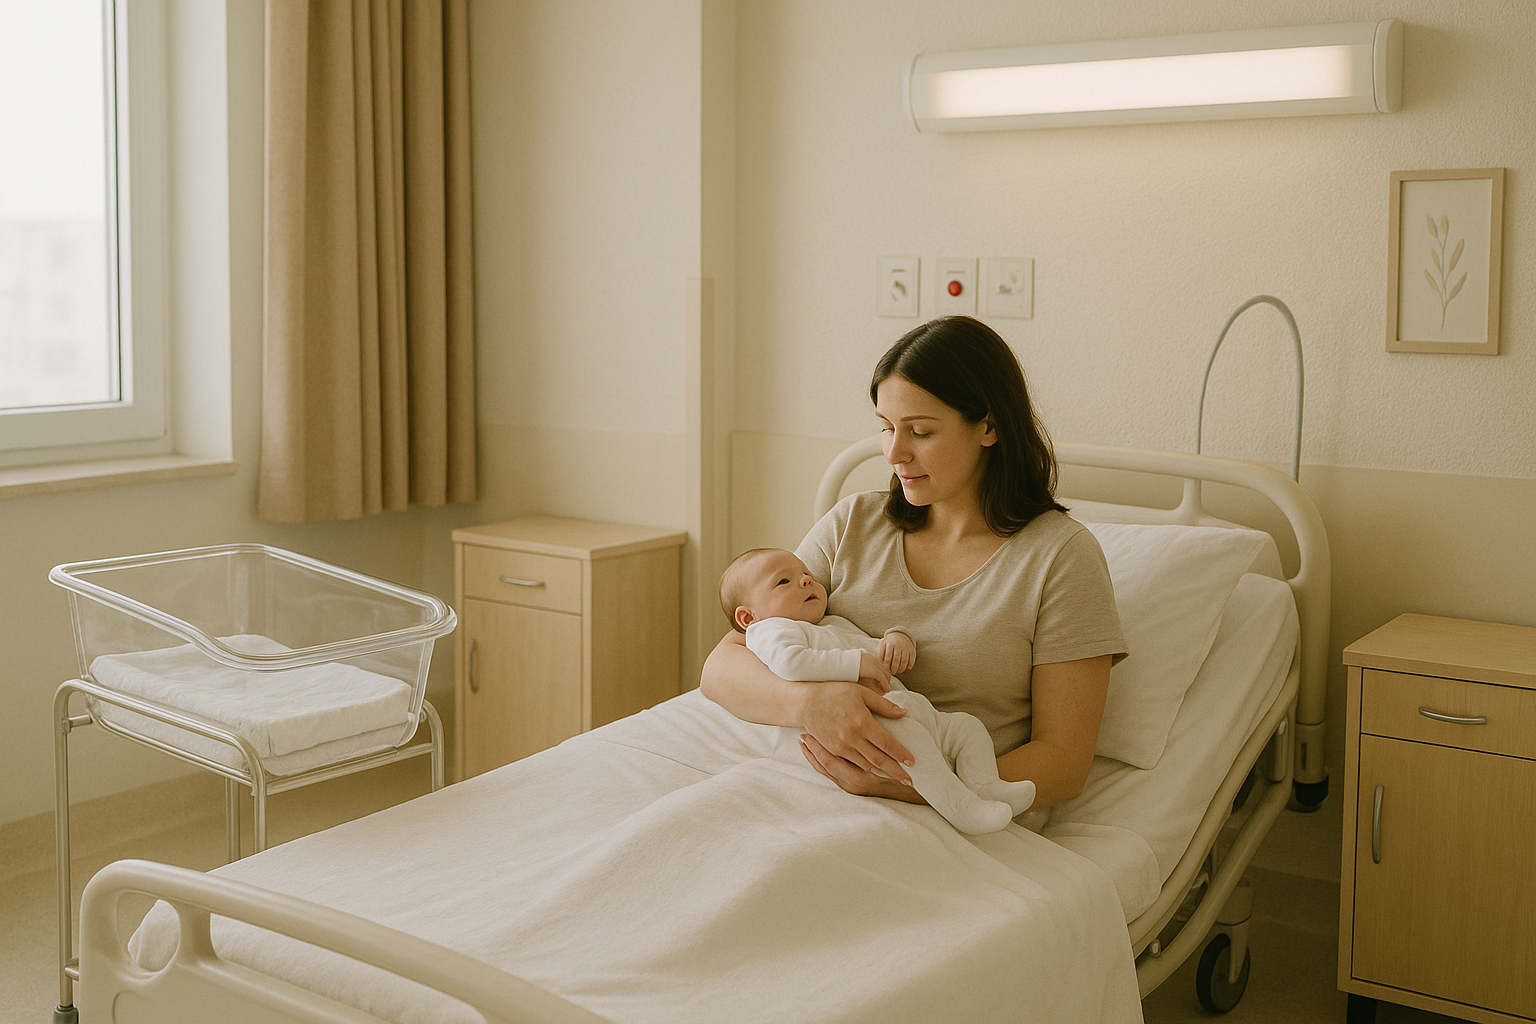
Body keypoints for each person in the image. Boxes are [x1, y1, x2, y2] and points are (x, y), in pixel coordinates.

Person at [700, 315, 1127, 814]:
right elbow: (723, 664)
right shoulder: (852, 524)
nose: (895, 453)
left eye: (920, 431)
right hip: (816, 779)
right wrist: (809, 704)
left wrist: (915, 785)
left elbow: (1063, 762)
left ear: (989, 426)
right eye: (885, 428)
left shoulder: (1060, 558)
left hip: (958, 808)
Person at [719, 546, 1037, 834]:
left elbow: (872, 652)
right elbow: (792, 664)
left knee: (967, 727)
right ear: (749, 617)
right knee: (915, 751)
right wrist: (856, 663)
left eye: (807, 575)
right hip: (875, 719)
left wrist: (895, 640)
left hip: (908, 706)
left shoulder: (832, 625)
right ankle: (961, 807)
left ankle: (988, 785)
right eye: (784, 582)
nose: (804, 581)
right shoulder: (769, 630)